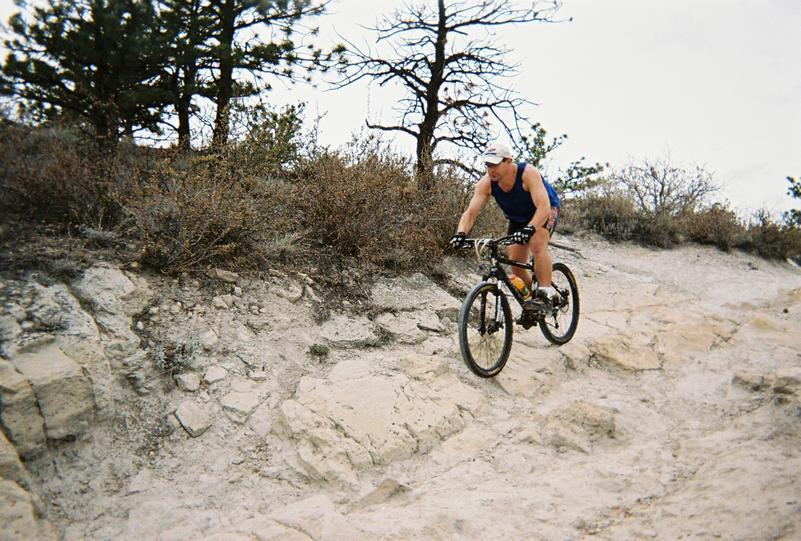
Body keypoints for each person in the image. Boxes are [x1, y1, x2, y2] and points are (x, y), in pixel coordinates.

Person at [450, 142, 560, 311]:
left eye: (495, 164)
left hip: (544, 210)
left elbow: (543, 208)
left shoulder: (527, 173)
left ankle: (546, 293)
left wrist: (530, 229)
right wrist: (460, 234)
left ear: (508, 161)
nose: (491, 169)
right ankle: (533, 301)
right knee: (516, 265)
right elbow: (470, 213)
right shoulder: (486, 183)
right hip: (518, 219)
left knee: (537, 244)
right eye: (488, 165)